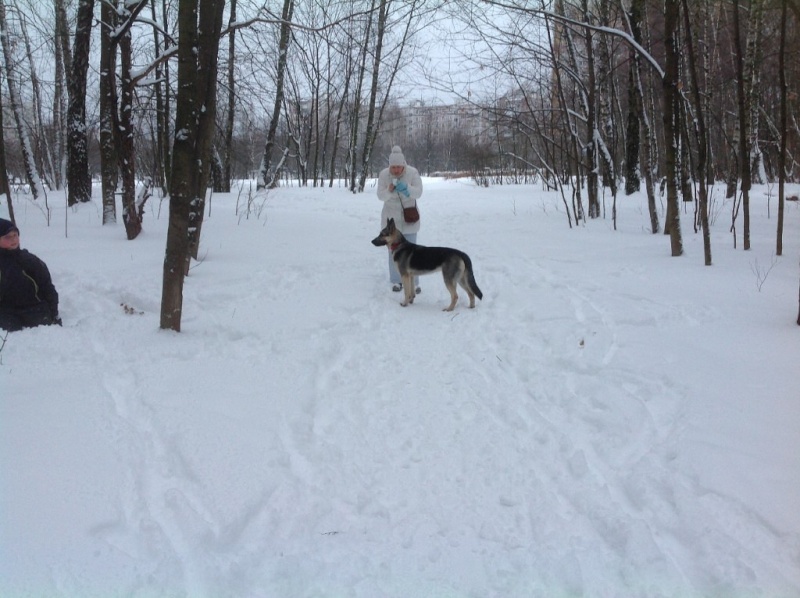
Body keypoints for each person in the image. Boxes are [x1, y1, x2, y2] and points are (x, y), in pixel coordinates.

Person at [376, 145, 424, 292]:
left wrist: (407, 189)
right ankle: (397, 280)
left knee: (412, 252)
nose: (396, 170)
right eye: (393, 167)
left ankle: (414, 282)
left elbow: (419, 192)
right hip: (391, 221)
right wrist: (389, 191)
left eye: (398, 167)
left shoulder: (413, 172)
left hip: (409, 218)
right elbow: (380, 196)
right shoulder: (384, 175)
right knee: (394, 252)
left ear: (403, 164)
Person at [0, 218, 60, 332]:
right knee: (8, 335)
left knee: (43, 331)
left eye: (15, 235)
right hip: (7, 310)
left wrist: (53, 312)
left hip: (34, 308)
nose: (13, 239)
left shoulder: (29, 261)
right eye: (7, 237)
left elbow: (47, 286)